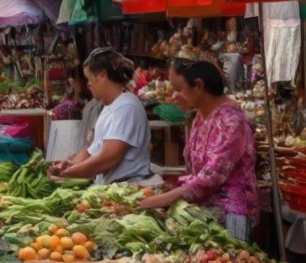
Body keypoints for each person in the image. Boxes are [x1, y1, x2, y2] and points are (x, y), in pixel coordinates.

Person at [138, 58, 259, 239]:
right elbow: (196, 171)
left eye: (179, 89)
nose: (174, 96)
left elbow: (213, 174)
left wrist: (171, 195)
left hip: (230, 214)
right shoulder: (201, 115)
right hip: (203, 212)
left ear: (198, 86)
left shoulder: (232, 121)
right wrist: (167, 187)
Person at [50, 48, 153, 186]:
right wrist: (69, 164)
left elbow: (108, 158)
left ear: (103, 76)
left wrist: (70, 173)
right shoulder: (109, 107)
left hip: (129, 187)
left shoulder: (127, 106)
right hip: (111, 187)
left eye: (90, 79)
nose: (88, 84)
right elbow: (93, 149)